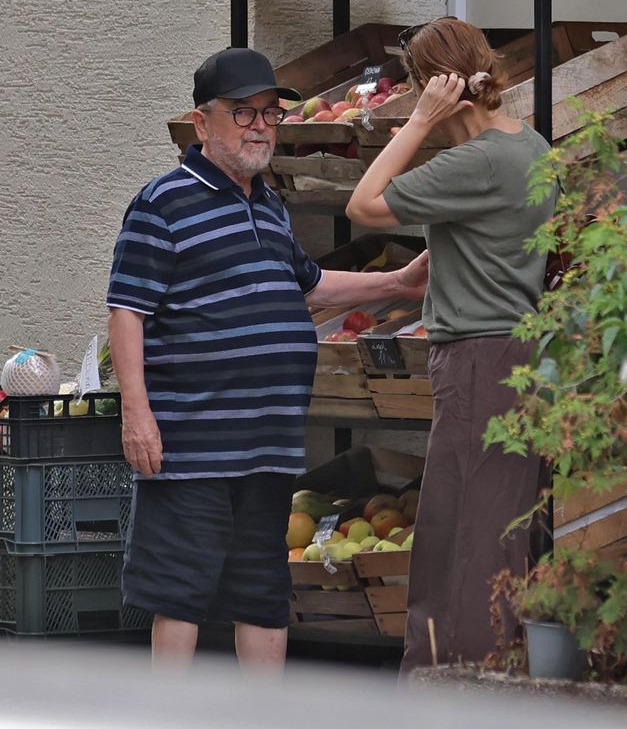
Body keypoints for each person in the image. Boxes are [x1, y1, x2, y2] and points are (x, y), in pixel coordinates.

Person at [107, 47, 428, 670]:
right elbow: (127, 311)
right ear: (202, 123)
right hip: (192, 446)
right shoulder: (163, 202)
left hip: (269, 445)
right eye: (241, 113)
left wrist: (397, 284)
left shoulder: (269, 204)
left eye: (269, 113)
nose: (259, 126)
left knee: (264, 595)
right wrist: (136, 416)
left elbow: (309, 286)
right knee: (180, 593)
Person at [346, 18, 556, 671]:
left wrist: (414, 126)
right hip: (516, 360)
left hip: (477, 363)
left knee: (463, 544)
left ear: (430, 86)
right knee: (493, 537)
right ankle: (489, 685)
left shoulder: (475, 162)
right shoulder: (529, 145)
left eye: (414, 89)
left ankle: (456, 692)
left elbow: (362, 203)